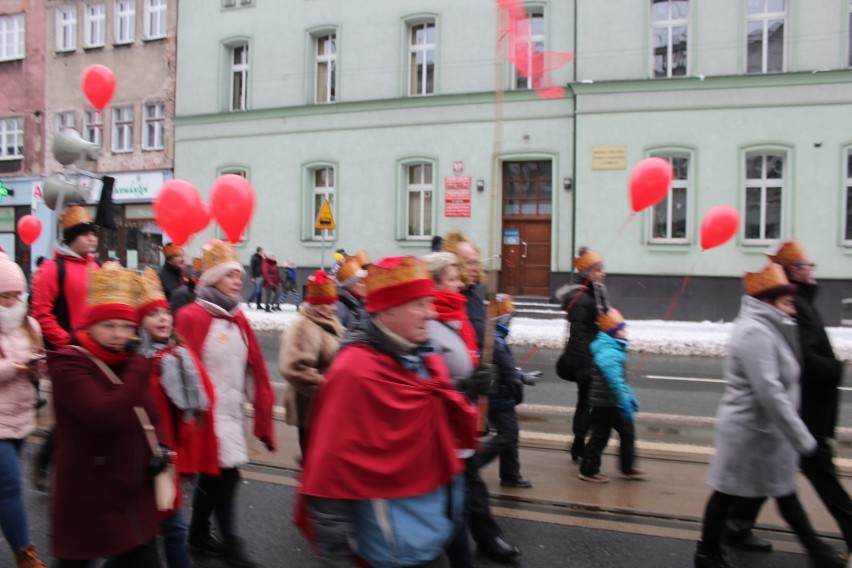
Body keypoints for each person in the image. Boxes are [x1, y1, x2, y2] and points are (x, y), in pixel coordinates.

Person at [296, 256, 477, 567]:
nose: (431, 313)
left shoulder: (426, 357)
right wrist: (336, 555)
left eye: (429, 302)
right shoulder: (354, 373)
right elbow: (328, 472)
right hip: (393, 551)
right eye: (419, 304)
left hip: (435, 535)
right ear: (388, 311)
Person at [694, 263, 844, 568]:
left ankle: (817, 554)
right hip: (749, 432)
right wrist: (801, 437)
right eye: (787, 303)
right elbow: (770, 392)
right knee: (727, 494)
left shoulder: (770, 329)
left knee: (782, 493)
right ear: (767, 300)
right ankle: (707, 554)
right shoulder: (754, 333)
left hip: (766, 434)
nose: (792, 310)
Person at [725, 240, 852, 554]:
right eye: (808, 265)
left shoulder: (798, 302)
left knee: (770, 475)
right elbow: (799, 363)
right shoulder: (787, 309)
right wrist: (835, 368)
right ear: (796, 270)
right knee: (813, 474)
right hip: (803, 411)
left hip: (801, 410)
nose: (813, 270)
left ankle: (736, 526)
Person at [47, 262, 167, 567]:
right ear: (90, 325)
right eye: (109, 325)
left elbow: (151, 412)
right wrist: (140, 368)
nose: (119, 335)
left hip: (130, 490)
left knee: (142, 559)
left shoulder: (126, 359)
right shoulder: (69, 364)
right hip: (87, 492)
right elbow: (103, 414)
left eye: (127, 327)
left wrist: (163, 446)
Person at [175, 239, 276, 568]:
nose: (239, 280)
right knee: (225, 477)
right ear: (213, 278)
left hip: (230, 416)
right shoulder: (192, 316)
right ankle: (232, 545)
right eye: (231, 275)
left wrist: (261, 411)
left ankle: (198, 533)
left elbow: (255, 368)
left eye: (239, 275)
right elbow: (179, 370)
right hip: (204, 419)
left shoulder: (238, 319)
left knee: (214, 476)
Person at [439, 234, 522, 564]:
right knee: (460, 479)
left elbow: (486, 340)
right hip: (449, 404)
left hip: (470, 400)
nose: (474, 267)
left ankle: (482, 539)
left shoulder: (471, 296)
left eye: (476, 261)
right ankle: (472, 542)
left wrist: (503, 374)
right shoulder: (441, 300)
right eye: (466, 262)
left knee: (467, 476)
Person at [137, 268, 218, 568]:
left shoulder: (179, 355)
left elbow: (201, 402)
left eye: (165, 313)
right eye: (153, 314)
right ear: (138, 322)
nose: (163, 318)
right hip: (144, 461)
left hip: (168, 457)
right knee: (149, 537)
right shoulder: (139, 364)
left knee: (169, 529)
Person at [29, 205, 101, 491]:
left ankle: (66, 465)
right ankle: (50, 461)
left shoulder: (95, 266)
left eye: (93, 234)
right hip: (66, 355)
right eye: (85, 234)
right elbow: (41, 313)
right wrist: (67, 342)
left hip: (93, 352)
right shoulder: (51, 269)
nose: (92, 239)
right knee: (76, 412)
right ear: (71, 238)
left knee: (86, 413)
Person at [0, 254, 47, 567]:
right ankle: (25, 555)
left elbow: (38, 371)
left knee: (6, 489)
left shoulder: (30, 324)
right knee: (11, 486)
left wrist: (36, 367)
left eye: (19, 295)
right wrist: (12, 367)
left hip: (21, 418)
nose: (15, 301)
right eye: (7, 296)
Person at [279, 269, 344, 457]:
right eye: (329, 304)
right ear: (317, 305)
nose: (335, 308)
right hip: (310, 410)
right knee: (315, 462)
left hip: (325, 409)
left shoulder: (329, 321)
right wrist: (329, 388)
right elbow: (293, 369)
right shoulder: (303, 328)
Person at [577, 307, 645, 483]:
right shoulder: (609, 353)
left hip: (611, 401)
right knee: (600, 436)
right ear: (613, 333)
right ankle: (588, 470)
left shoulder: (613, 349)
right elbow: (614, 381)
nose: (625, 332)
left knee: (627, 431)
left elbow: (620, 381)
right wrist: (625, 400)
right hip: (604, 403)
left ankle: (627, 466)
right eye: (621, 329)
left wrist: (627, 396)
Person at [554, 246, 609, 462]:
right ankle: (580, 445)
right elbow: (578, 336)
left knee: (588, 402)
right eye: (598, 269)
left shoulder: (592, 293)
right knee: (588, 403)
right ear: (588, 272)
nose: (603, 273)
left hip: (592, 356)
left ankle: (580, 444)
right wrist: (585, 365)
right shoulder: (582, 299)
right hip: (585, 359)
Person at [474, 293, 535, 489]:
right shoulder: (497, 340)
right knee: (508, 435)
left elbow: (505, 368)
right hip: (500, 397)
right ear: (503, 319)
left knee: (510, 435)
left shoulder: (493, 336)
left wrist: (522, 375)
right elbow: (506, 371)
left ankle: (510, 475)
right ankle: (473, 461)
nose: (512, 323)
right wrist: (521, 379)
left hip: (498, 395)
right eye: (511, 319)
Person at [334, 255, 369, 330]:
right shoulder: (339, 308)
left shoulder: (361, 303)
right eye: (361, 281)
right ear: (349, 284)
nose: (366, 284)